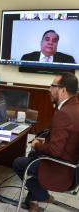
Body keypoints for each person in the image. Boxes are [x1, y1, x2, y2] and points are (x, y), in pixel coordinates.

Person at [13, 72, 79, 212]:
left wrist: (37, 144)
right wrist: (45, 140)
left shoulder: (64, 114)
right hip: (71, 166)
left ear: (63, 91)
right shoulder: (75, 107)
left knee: (19, 163)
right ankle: (34, 198)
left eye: (52, 86)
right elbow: (65, 139)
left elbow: (55, 151)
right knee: (33, 156)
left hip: (60, 168)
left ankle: (41, 195)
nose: (49, 90)